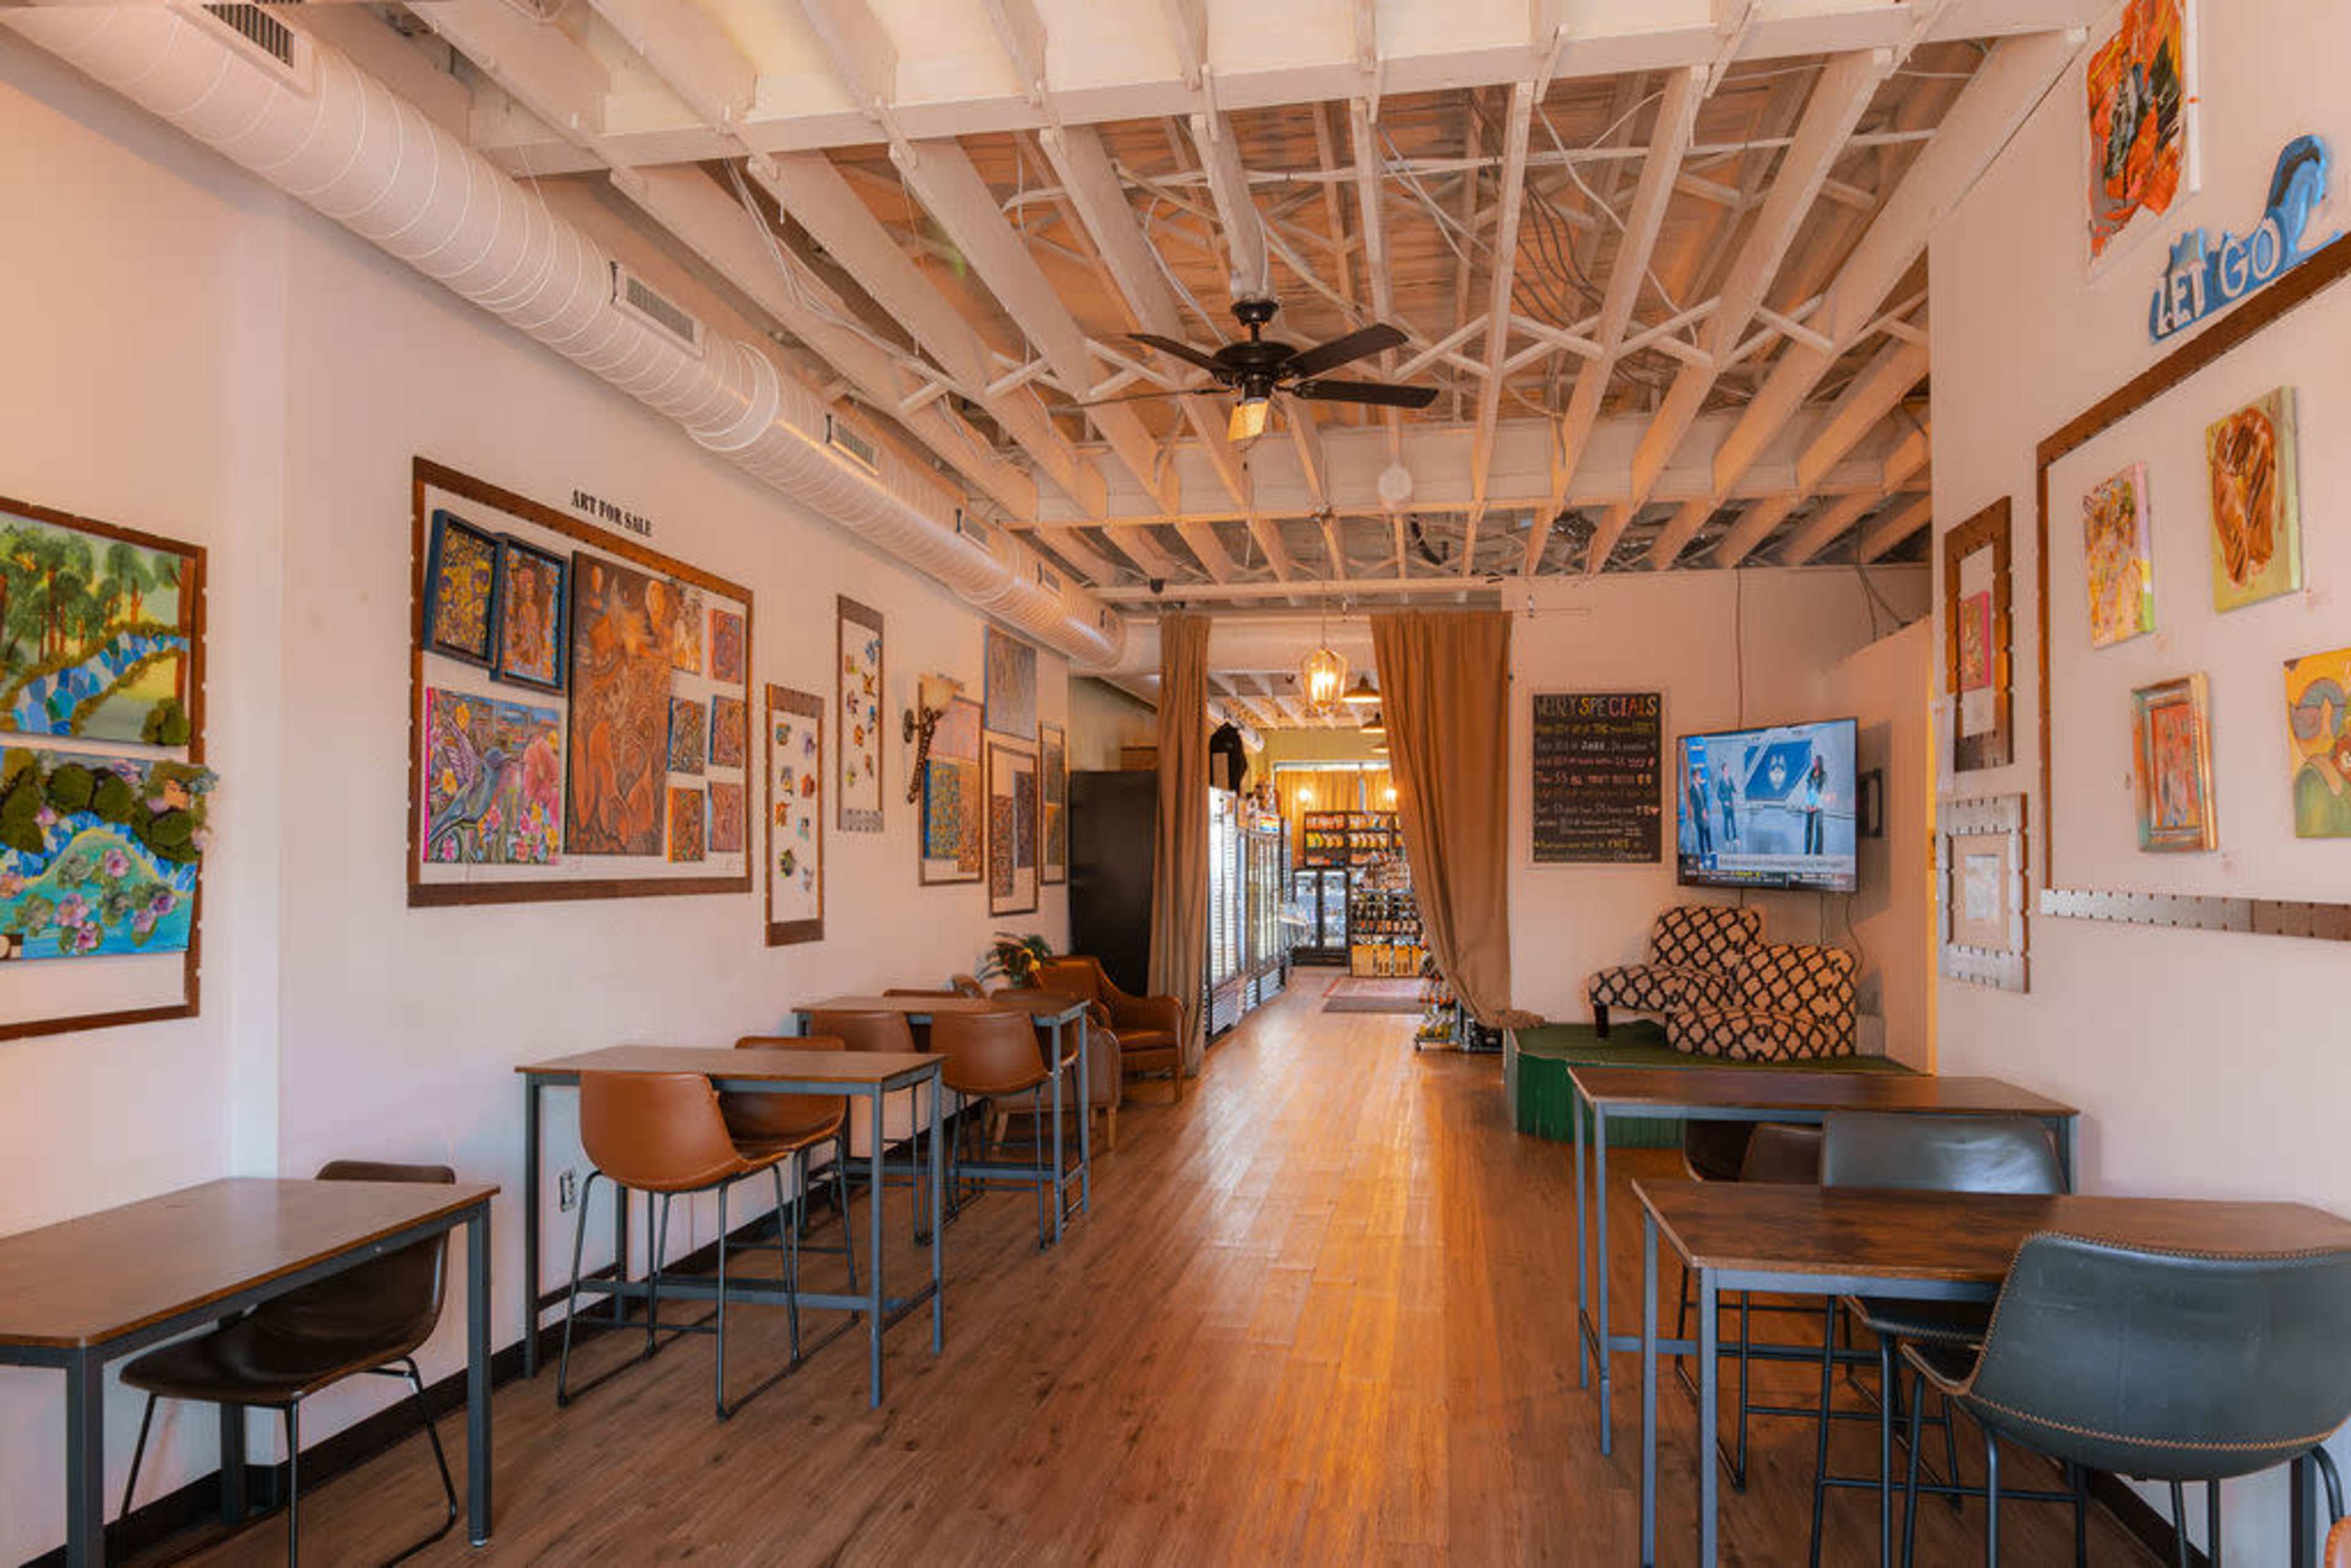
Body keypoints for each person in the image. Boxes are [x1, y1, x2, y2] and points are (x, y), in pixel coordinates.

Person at [1802, 756, 1827, 855]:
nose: (1814, 763)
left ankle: (1818, 852)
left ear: (1820, 763)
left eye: (1816, 761)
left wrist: (1816, 806)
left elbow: (1823, 790)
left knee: (1819, 828)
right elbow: (1808, 790)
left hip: (1819, 805)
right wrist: (1808, 804)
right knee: (1808, 828)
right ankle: (1807, 851)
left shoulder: (1824, 775)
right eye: (1814, 761)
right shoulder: (1810, 774)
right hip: (1810, 803)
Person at [1715, 763, 1739, 846]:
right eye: (1725, 770)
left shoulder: (1730, 779)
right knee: (1726, 823)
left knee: (1733, 822)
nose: (1727, 771)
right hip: (1725, 805)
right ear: (1723, 771)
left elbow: (1732, 788)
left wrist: (1736, 791)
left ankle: (1735, 838)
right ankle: (1727, 840)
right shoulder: (1721, 782)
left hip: (1731, 804)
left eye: (1727, 770)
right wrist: (1724, 801)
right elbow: (1719, 794)